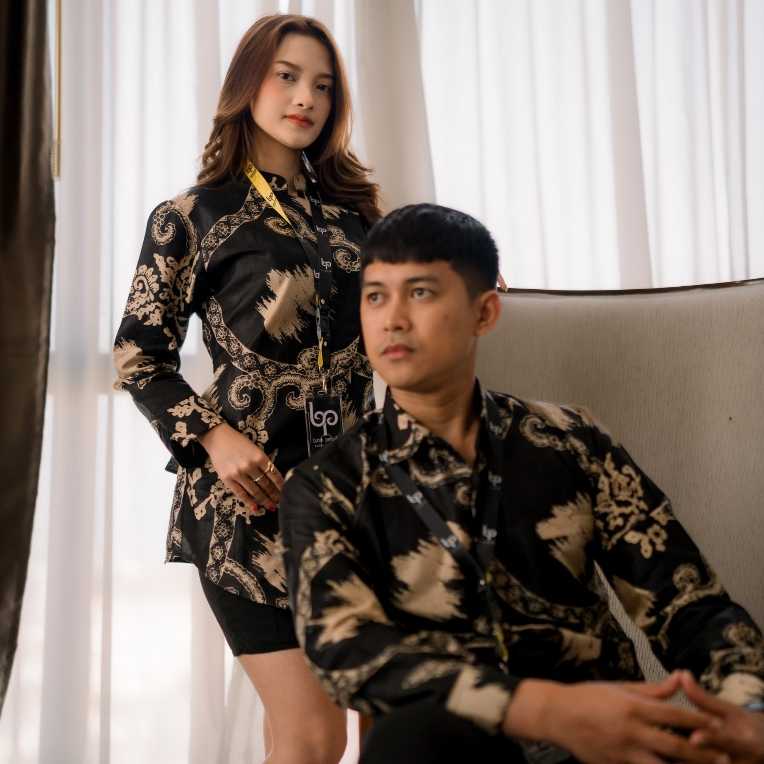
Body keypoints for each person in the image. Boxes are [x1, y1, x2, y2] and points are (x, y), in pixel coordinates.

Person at [279, 203, 764, 764]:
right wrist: (542, 710)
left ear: (484, 312)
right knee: (407, 740)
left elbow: (690, 605)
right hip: (456, 745)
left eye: (420, 293)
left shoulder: (572, 440)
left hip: (606, 739)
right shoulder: (325, 485)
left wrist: (748, 710)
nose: (392, 320)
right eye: (375, 297)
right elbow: (348, 650)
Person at [113, 14, 381, 764]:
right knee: (315, 737)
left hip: (351, 502)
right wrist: (212, 437)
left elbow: (406, 312)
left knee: (325, 737)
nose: (306, 98)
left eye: (322, 86)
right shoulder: (189, 217)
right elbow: (138, 355)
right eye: (287, 76)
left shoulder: (359, 219)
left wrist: (459, 271)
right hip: (247, 506)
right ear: (247, 84)